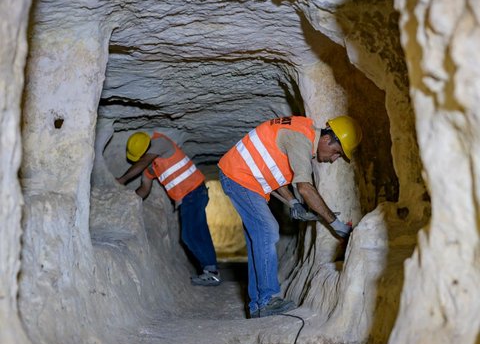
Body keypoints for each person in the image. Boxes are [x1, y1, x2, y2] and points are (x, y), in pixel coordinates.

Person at [218, 115, 362, 318]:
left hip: (242, 177)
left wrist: (292, 202)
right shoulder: (301, 139)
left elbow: (272, 172)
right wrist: (335, 224)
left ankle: (257, 305)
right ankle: (268, 300)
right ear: (328, 139)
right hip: (239, 177)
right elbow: (305, 188)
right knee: (268, 230)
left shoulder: (300, 132)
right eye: (337, 152)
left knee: (257, 239)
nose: (333, 158)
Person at [116, 131, 221, 286]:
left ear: (146, 149)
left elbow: (143, 162)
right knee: (198, 232)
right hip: (189, 197)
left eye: (142, 156)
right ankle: (211, 270)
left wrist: (122, 180)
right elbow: (144, 189)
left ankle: (211, 272)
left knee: (189, 235)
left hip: (193, 192)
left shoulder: (161, 143)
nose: (142, 159)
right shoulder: (150, 167)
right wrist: (128, 200)